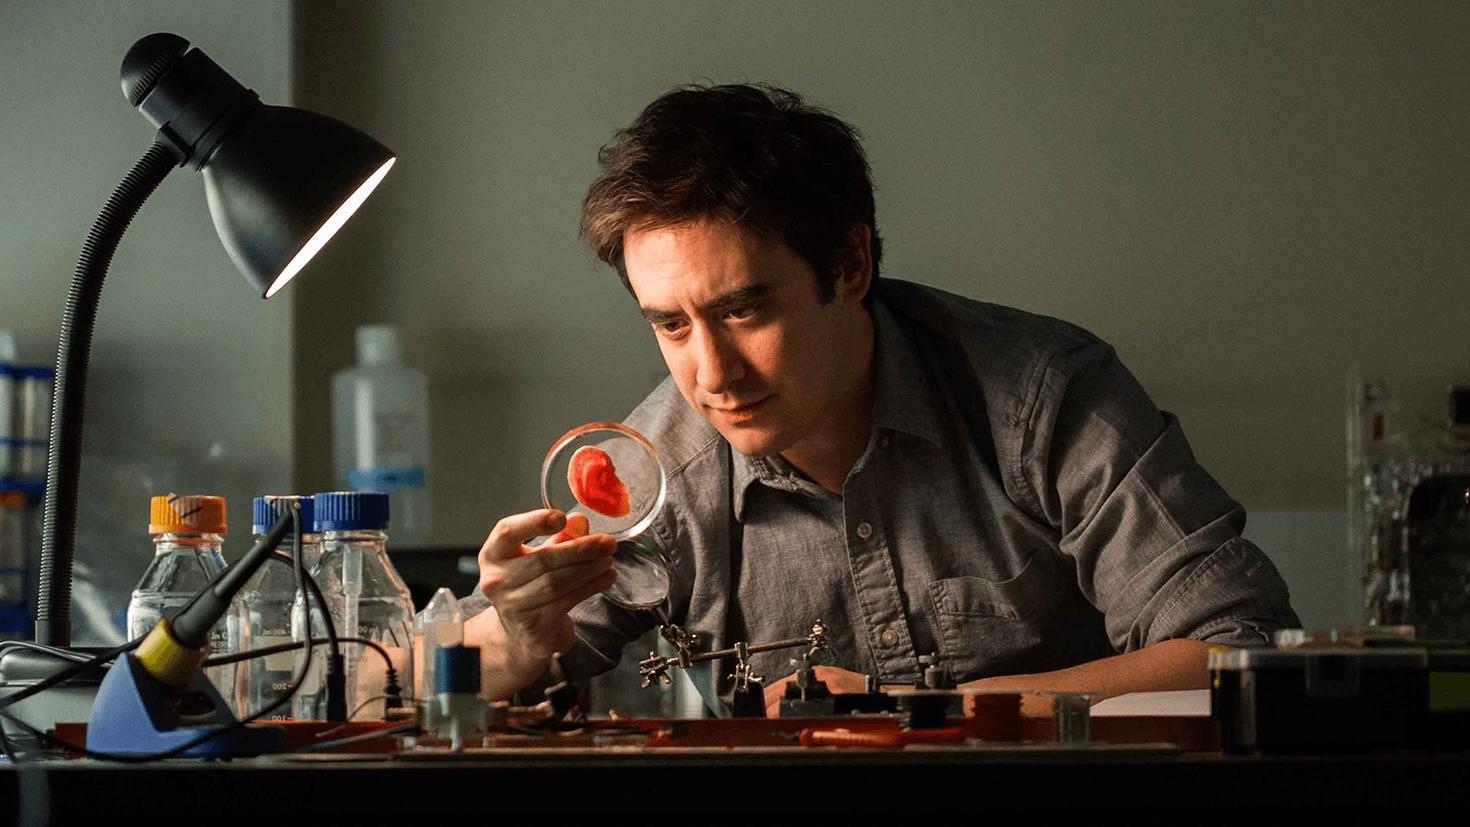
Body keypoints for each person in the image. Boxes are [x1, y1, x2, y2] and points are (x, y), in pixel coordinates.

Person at [460, 84, 1298, 715]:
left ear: (851, 266)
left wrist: (913, 711)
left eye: (744, 310)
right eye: (670, 326)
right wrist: (523, 637)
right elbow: (430, 680)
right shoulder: (663, 472)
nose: (711, 374)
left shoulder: (1042, 398)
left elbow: (1236, 655)